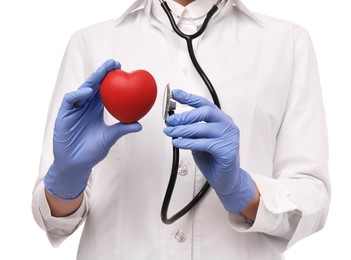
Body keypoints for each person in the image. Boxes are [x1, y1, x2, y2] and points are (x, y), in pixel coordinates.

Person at [32, 0, 330, 259]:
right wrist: (66, 177)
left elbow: (313, 197)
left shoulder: (288, 43)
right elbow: (55, 222)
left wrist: (246, 193)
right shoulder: (91, 42)